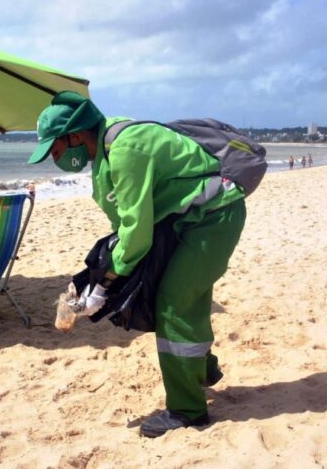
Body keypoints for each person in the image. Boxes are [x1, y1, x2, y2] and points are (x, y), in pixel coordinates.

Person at [28, 91, 247, 437]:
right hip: (186, 220)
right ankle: (203, 371)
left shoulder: (124, 150)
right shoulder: (106, 148)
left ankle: (188, 410)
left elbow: (136, 232)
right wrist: (100, 277)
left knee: (174, 303)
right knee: (180, 297)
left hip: (213, 218)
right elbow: (128, 223)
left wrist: (102, 287)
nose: (55, 158)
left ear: (74, 135)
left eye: (55, 150)